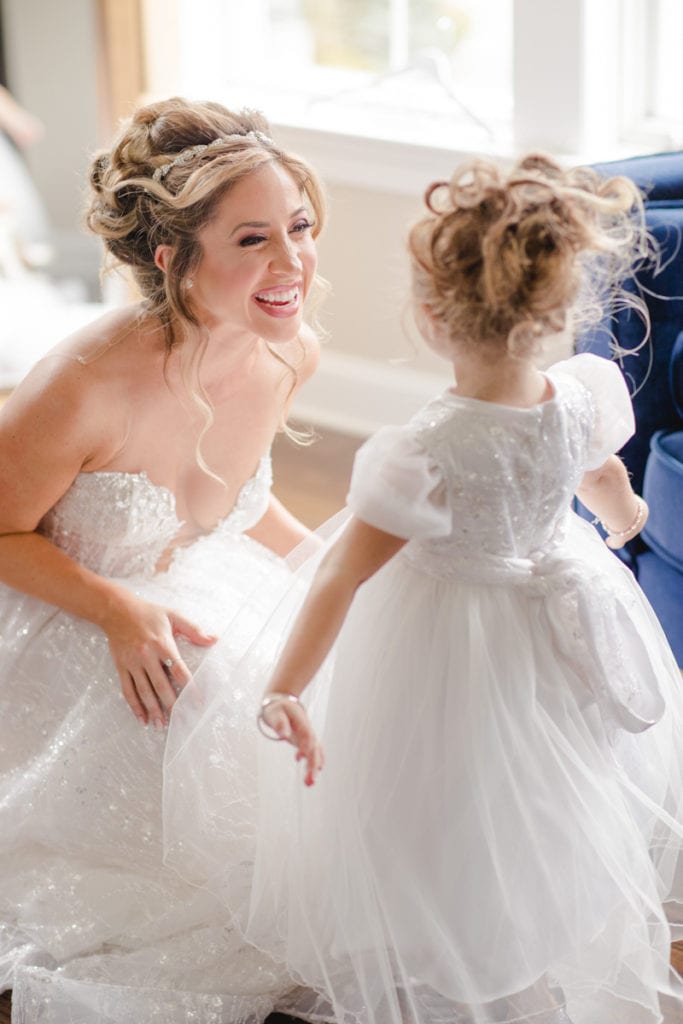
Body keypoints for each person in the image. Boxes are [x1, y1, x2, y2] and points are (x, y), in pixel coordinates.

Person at [237, 155, 683, 1024]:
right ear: (556, 312)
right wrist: (627, 520)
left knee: (448, 806)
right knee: (555, 783)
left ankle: (472, 959)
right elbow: (602, 483)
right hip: (558, 622)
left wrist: (287, 686)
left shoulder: (425, 448)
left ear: (433, 316)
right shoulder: (583, 396)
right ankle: (539, 938)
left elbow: (340, 573)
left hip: (454, 643)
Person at [0, 95, 329, 1023]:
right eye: (253, 240)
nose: (292, 263)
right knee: (224, 713)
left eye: (299, 228)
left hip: (189, 586)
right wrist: (116, 610)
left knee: (326, 687)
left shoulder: (284, 349)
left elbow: (244, 504)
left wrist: (336, 577)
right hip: (58, 612)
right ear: (170, 257)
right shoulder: (81, 384)